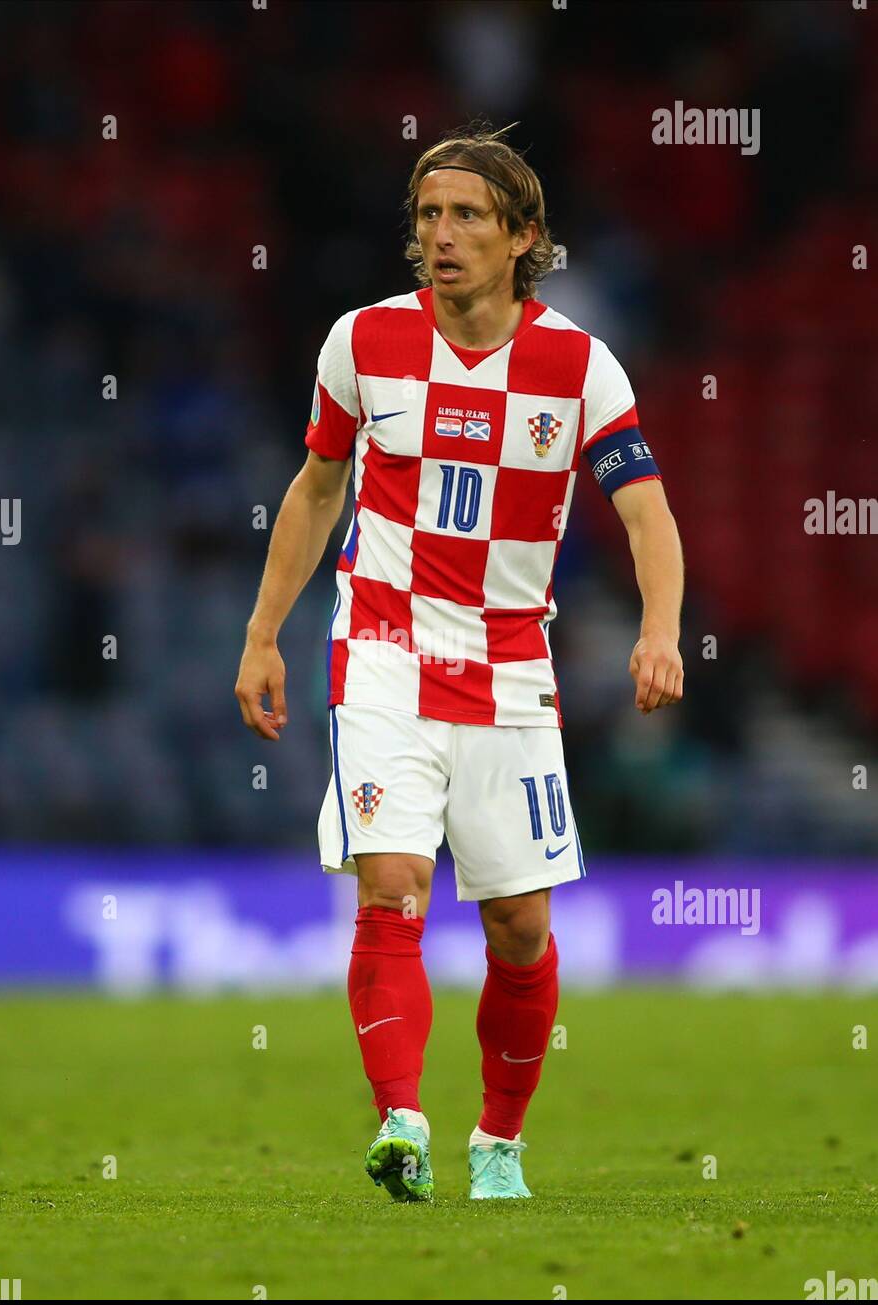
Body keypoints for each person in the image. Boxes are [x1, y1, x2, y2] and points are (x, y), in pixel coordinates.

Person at [235, 121, 684, 1202]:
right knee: (390, 889)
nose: (440, 236)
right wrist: (261, 633)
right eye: (427, 216)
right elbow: (314, 488)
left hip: (507, 664)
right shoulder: (359, 343)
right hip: (381, 648)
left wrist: (660, 626)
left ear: (522, 236)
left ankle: (498, 1141)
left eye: (467, 217)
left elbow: (646, 512)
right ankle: (401, 1122)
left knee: (518, 926)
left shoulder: (578, 364)